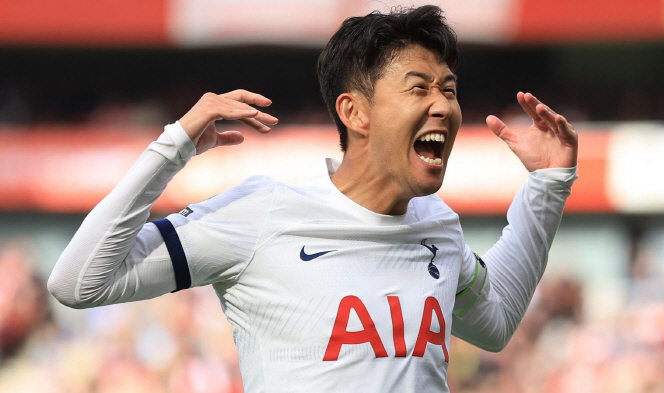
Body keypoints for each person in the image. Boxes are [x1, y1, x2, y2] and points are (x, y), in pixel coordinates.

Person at [48, 5, 577, 392]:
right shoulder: (260, 215)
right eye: (419, 88)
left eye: (449, 89)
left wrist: (548, 186)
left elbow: (496, 321)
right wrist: (173, 145)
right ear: (354, 112)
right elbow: (78, 283)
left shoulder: (436, 226)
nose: (442, 105)